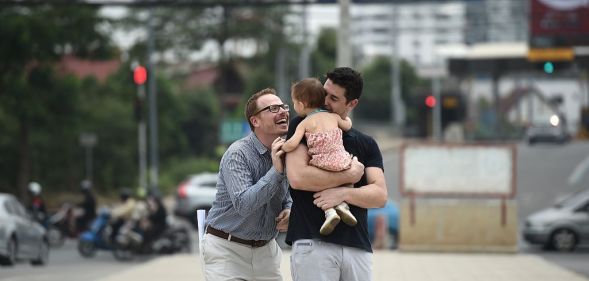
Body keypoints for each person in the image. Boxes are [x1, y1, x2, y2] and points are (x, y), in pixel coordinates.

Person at [285, 67, 388, 281]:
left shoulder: (366, 143)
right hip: (312, 242)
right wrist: (349, 176)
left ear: (352, 104)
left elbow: (379, 195)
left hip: (357, 246)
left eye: (333, 98)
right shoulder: (302, 124)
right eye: (324, 93)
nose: (324, 101)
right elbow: (297, 177)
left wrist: (342, 195)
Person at [203, 88, 292, 281]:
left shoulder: (287, 151)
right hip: (227, 250)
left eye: (284, 107)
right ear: (255, 121)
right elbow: (244, 205)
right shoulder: (238, 154)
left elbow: (286, 197)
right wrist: (276, 171)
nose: (284, 112)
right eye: (273, 108)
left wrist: (289, 210)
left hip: (267, 252)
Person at [281, 78, 357, 236]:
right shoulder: (333, 117)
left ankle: (330, 212)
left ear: (301, 105)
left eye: (294, 103)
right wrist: (346, 119)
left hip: (322, 163)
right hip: (341, 161)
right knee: (347, 174)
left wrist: (282, 146)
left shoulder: (304, 123)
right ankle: (343, 206)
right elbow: (348, 126)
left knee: (320, 183)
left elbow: (292, 144)